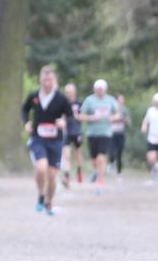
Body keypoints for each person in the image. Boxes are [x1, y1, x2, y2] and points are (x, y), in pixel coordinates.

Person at [21, 65, 73, 216]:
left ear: (54, 80)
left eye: (50, 80)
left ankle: (49, 201)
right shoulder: (34, 96)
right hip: (38, 138)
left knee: (51, 176)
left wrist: (64, 123)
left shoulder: (61, 98)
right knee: (41, 167)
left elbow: (70, 116)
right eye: (44, 80)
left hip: (55, 141)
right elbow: (24, 109)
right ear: (40, 80)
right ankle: (40, 195)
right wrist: (26, 122)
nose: (47, 83)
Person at [77, 79, 120, 194]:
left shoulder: (111, 100)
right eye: (98, 89)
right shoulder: (89, 100)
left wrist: (111, 118)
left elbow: (117, 114)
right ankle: (96, 171)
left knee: (101, 157)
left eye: (102, 89)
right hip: (92, 133)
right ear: (95, 89)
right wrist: (92, 117)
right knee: (95, 160)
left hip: (105, 133)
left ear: (105, 89)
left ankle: (100, 183)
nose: (100, 91)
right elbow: (80, 116)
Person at [61, 82, 84, 187]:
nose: (68, 94)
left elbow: (84, 116)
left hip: (77, 131)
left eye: (70, 92)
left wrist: (78, 116)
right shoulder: (62, 104)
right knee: (66, 154)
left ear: (74, 92)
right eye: (67, 92)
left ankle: (79, 170)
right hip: (67, 132)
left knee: (78, 153)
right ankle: (67, 175)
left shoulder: (79, 104)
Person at [108, 94, 131, 178]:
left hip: (121, 134)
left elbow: (128, 122)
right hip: (111, 133)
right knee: (111, 151)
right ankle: (111, 163)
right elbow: (107, 119)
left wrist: (123, 119)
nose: (121, 101)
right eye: (120, 99)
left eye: (122, 99)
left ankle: (119, 171)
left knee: (120, 152)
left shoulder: (125, 110)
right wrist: (116, 118)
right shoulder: (111, 109)